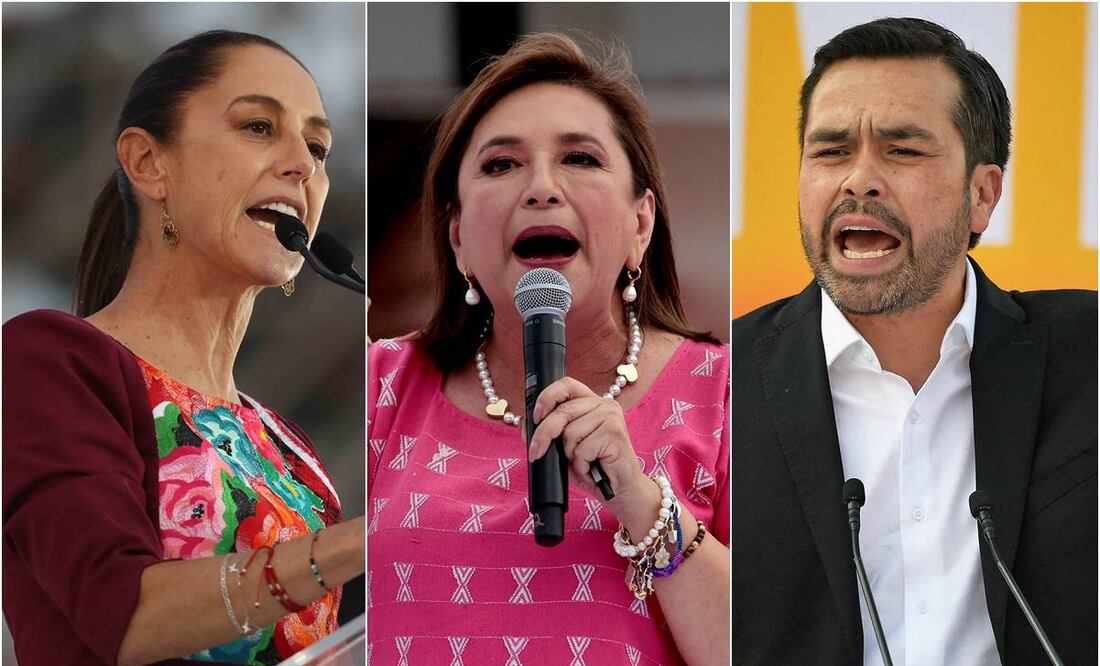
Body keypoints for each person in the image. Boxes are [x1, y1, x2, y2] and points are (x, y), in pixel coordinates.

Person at [732, 17, 1097, 665]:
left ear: (981, 196)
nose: (859, 180)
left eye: (902, 150)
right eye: (831, 151)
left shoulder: (1087, 354)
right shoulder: (723, 385)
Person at [3, 31, 365, 666]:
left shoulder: (290, 453)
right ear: (147, 162)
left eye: (318, 147)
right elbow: (123, 614)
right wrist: (364, 543)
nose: (302, 166)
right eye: (258, 127)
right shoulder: (53, 361)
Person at [368, 33, 730, 665]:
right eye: (501, 165)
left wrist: (643, 505)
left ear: (640, 224)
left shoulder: (732, 396)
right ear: (457, 238)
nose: (540, 188)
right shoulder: (382, 386)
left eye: (581, 160)